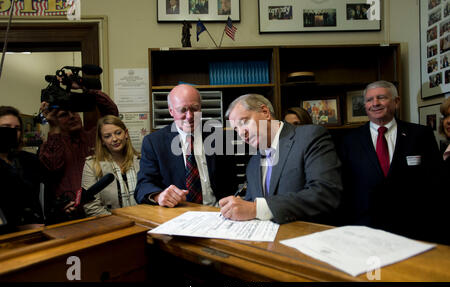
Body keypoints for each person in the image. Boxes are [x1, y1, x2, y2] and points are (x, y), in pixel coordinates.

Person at [338, 80, 446, 243]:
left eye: (381, 97)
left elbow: (435, 182)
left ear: (396, 101)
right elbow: (344, 190)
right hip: (364, 231)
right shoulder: (349, 141)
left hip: (413, 231)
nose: (375, 103)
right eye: (369, 100)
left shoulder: (420, 135)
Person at [219, 94, 342, 224]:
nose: (242, 134)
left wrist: (256, 209)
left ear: (265, 112)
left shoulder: (310, 137)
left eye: (244, 122)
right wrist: (237, 208)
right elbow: (250, 204)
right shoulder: (253, 163)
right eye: (236, 129)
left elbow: (326, 194)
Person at [135, 84, 231, 207]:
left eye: (194, 109)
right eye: (183, 110)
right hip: (176, 214)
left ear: (200, 108)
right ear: (171, 111)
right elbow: (143, 185)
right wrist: (159, 196)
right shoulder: (154, 142)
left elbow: (230, 182)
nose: (189, 116)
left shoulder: (219, 137)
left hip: (216, 211)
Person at [39, 86, 118, 223]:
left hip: (99, 211)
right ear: (55, 120)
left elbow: (111, 114)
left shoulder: (93, 136)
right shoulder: (50, 146)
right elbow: (53, 167)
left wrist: (86, 88)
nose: (71, 116)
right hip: (69, 217)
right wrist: (53, 127)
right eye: (64, 115)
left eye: (74, 112)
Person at [81, 115, 140, 217]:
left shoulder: (142, 160)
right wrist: (119, 222)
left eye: (118, 133)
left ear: (125, 134)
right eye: (107, 136)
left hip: (144, 220)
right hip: (112, 224)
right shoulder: (92, 165)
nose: (115, 139)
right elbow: (91, 206)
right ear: (102, 141)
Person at [0, 106, 45, 234]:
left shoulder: (29, 160)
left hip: (35, 232)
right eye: (6, 127)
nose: (12, 132)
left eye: (17, 128)